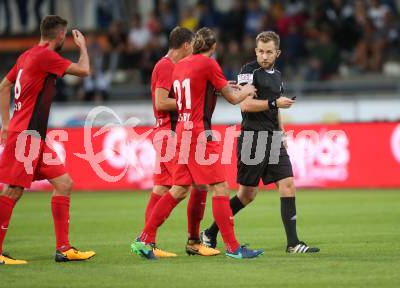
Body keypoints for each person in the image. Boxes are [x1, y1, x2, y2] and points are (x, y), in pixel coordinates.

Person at [132, 27, 264, 260]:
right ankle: (233, 248)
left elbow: (194, 92)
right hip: (199, 134)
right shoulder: (207, 64)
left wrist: (219, 87)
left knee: (179, 188)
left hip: (181, 130)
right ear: (213, 48)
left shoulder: (181, 66)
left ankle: (146, 238)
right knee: (220, 187)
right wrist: (246, 90)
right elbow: (233, 99)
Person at [0, 15, 95, 265]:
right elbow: (85, 70)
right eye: (65, 35)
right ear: (59, 35)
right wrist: (83, 47)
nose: (65, 39)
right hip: (26, 136)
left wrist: (5, 123)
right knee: (13, 190)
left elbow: (3, 86)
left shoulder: (27, 56)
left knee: (64, 183)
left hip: (32, 136)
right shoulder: (46, 57)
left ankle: (63, 249)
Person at [200, 31, 320, 254]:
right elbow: (245, 106)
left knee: (288, 184)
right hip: (252, 139)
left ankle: (293, 243)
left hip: (273, 138)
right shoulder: (248, 71)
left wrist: (282, 132)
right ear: (256, 51)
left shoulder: (278, 75)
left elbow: (277, 110)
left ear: (278, 53)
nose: (264, 56)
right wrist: (275, 103)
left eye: (269, 52)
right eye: (261, 51)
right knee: (247, 194)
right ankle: (210, 232)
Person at [140, 26, 219, 258]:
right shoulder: (166, 66)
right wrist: (193, 100)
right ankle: (186, 241)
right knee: (189, 187)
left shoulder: (168, 66)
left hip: (169, 133)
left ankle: (149, 242)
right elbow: (161, 102)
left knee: (163, 188)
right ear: (185, 46)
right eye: (192, 46)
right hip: (171, 133)